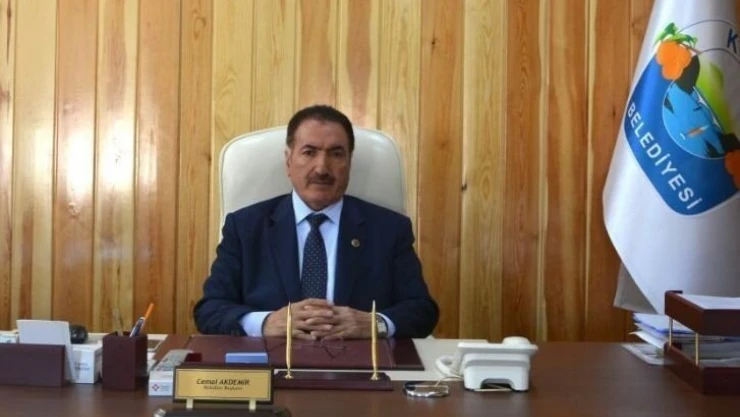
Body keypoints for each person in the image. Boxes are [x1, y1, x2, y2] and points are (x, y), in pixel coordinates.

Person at [193, 105, 438, 340]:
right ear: (288, 161)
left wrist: (375, 324)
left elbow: (422, 311)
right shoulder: (245, 227)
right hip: (271, 361)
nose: (322, 168)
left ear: (349, 162)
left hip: (358, 361)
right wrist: (266, 323)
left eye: (336, 154)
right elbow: (210, 310)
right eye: (309, 152)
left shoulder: (389, 230)